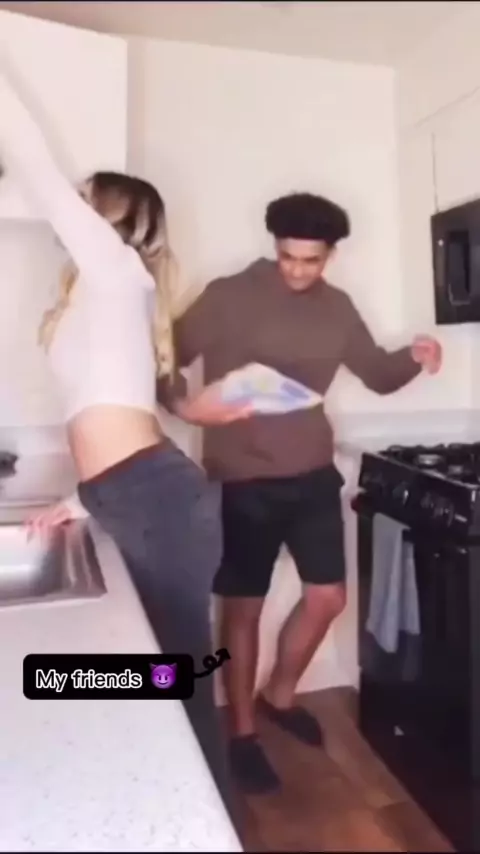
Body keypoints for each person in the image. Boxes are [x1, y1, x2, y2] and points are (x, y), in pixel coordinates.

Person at [0, 60, 248, 813]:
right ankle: (154, 805)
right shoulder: (104, 293)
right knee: (154, 672)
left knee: (175, 677)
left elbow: (32, 163)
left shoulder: (115, 268)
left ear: (105, 217)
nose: (66, 209)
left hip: (155, 498)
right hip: (134, 492)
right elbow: (115, 408)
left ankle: (208, 826)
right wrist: (83, 498)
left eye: (82, 201)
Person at [155, 191, 443, 795]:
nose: (296, 270)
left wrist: (416, 357)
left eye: (310, 261)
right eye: (288, 256)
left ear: (330, 256)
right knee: (243, 609)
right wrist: (186, 406)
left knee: (328, 597)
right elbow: (163, 360)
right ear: (275, 246)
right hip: (241, 478)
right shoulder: (227, 295)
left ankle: (279, 695)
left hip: (311, 472)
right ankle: (241, 733)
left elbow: (378, 374)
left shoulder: (337, 308)